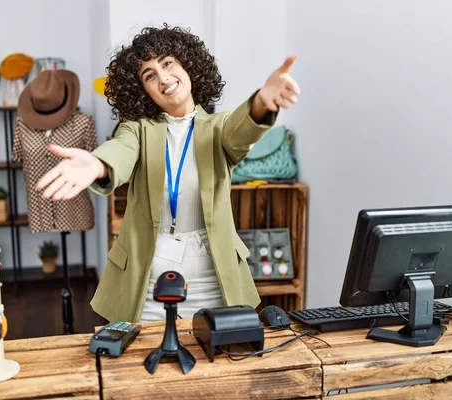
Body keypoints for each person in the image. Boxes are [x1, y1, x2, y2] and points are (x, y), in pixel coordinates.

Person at [36, 24, 300, 322]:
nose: (163, 78)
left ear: (188, 66)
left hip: (214, 283)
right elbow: (121, 151)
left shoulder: (218, 128)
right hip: (148, 285)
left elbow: (240, 130)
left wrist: (261, 102)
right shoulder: (136, 129)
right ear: (142, 89)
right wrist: (97, 165)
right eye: (149, 75)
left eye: (167, 64)